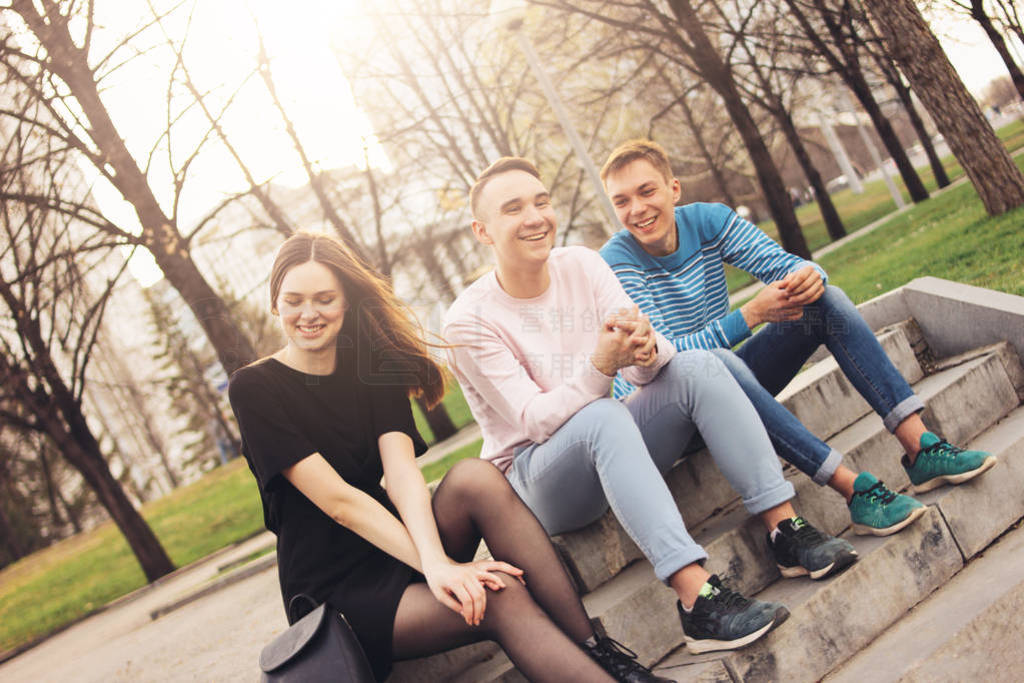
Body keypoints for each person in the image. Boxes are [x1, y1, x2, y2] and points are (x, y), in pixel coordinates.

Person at [443, 158, 858, 657]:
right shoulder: (467, 321)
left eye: (541, 202)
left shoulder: (583, 264)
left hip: (612, 440)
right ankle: (696, 600)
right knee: (600, 414)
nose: (535, 217)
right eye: (513, 209)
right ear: (482, 231)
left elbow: (646, 366)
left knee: (697, 365)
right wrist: (602, 364)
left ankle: (785, 530)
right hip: (539, 483)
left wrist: (646, 349)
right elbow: (536, 420)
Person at [228, 231, 663, 683]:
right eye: (294, 300)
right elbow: (340, 504)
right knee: (496, 592)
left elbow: (401, 475)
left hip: (400, 545)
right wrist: (439, 568)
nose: (309, 313)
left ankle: (600, 656)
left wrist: (435, 560)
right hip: (337, 592)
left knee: (474, 478)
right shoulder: (255, 389)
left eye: (324, 298)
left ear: (346, 303)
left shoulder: (373, 366)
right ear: (275, 304)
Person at [598, 138, 997, 539]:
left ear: (674, 188)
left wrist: (808, 275)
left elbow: (781, 265)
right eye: (622, 201)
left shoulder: (708, 221)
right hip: (666, 421)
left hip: (726, 384)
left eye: (646, 191)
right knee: (717, 362)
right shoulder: (617, 261)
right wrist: (750, 315)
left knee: (825, 301)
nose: (636, 210)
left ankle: (921, 447)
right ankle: (854, 490)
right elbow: (657, 359)